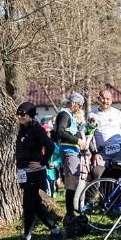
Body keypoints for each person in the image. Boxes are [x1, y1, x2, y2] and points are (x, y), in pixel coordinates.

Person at [14, 102, 61, 240]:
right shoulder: (22, 130)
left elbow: (51, 146)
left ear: (30, 115)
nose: (20, 117)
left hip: (35, 173)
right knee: (36, 206)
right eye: (19, 114)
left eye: (23, 114)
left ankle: (26, 238)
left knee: (29, 206)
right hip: (24, 174)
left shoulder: (36, 129)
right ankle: (55, 230)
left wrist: (42, 162)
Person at [52, 91, 86, 219]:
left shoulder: (69, 116)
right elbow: (60, 132)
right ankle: (70, 213)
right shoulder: (64, 114)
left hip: (73, 151)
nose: (80, 108)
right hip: (68, 152)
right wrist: (77, 140)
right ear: (73, 103)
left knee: (74, 181)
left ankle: (71, 211)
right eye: (80, 105)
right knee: (71, 182)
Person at [89, 89, 121, 179]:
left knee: (117, 177)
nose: (105, 101)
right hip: (102, 152)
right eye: (103, 98)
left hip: (119, 149)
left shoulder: (118, 113)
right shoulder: (92, 115)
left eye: (108, 99)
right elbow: (89, 136)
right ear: (98, 99)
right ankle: (100, 193)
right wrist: (94, 153)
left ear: (111, 100)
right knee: (97, 173)